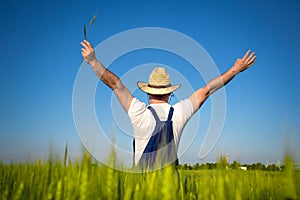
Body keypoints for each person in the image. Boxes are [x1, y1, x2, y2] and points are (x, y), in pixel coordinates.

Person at [80, 40, 256, 171]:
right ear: (170, 93)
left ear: (148, 92)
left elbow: (115, 84)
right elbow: (207, 90)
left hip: (142, 188)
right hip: (170, 188)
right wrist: (235, 70)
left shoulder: (138, 111)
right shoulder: (179, 112)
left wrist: (93, 61)